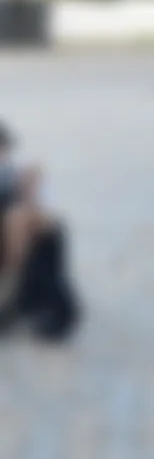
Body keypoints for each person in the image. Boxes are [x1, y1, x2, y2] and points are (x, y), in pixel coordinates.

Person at [0, 121, 78, 341]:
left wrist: (30, 196)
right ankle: (14, 297)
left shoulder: (16, 176)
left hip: (19, 240)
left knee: (48, 230)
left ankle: (39, 302)